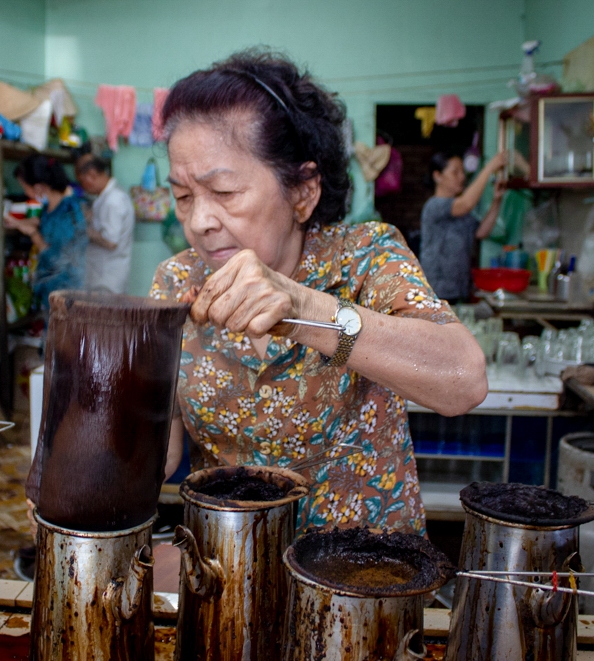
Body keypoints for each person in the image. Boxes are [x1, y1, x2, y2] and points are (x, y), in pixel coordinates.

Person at [149, 50, 488, 535]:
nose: (199, 222)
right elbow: (157, 452)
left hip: (362, 583)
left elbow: (463, 379)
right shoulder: (176, 283)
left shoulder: (365, 258)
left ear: (303, 192)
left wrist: (302, 307)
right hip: (231, 575)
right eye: (183, 196)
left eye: (224, 193)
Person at [419, 151, 508, 304]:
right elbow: (466, 204)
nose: (462, 177)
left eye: (462, 172)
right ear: (437, 176)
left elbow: (481, 232)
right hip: (437, 292)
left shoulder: (460, 211)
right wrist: (489, 168)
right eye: (455, 172)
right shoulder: (434, 206)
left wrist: (496, 201)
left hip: (460, 290)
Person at [5, 155, 88, 310]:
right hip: (52, 288)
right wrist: (18, 223)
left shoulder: (69, 213)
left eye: (25, 188)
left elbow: (58, 260)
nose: (26, 192)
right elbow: (45, 220)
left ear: (38, 187)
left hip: (68, 292)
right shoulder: (52, 205)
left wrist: (34, 235)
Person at [74, 153, 135, 294]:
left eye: (82, 181)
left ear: (92, 174)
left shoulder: (113, 200)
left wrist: (83, 228)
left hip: (107, 279)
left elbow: (110, 242)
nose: (83, 187)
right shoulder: (106, 197)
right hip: (102, 275)